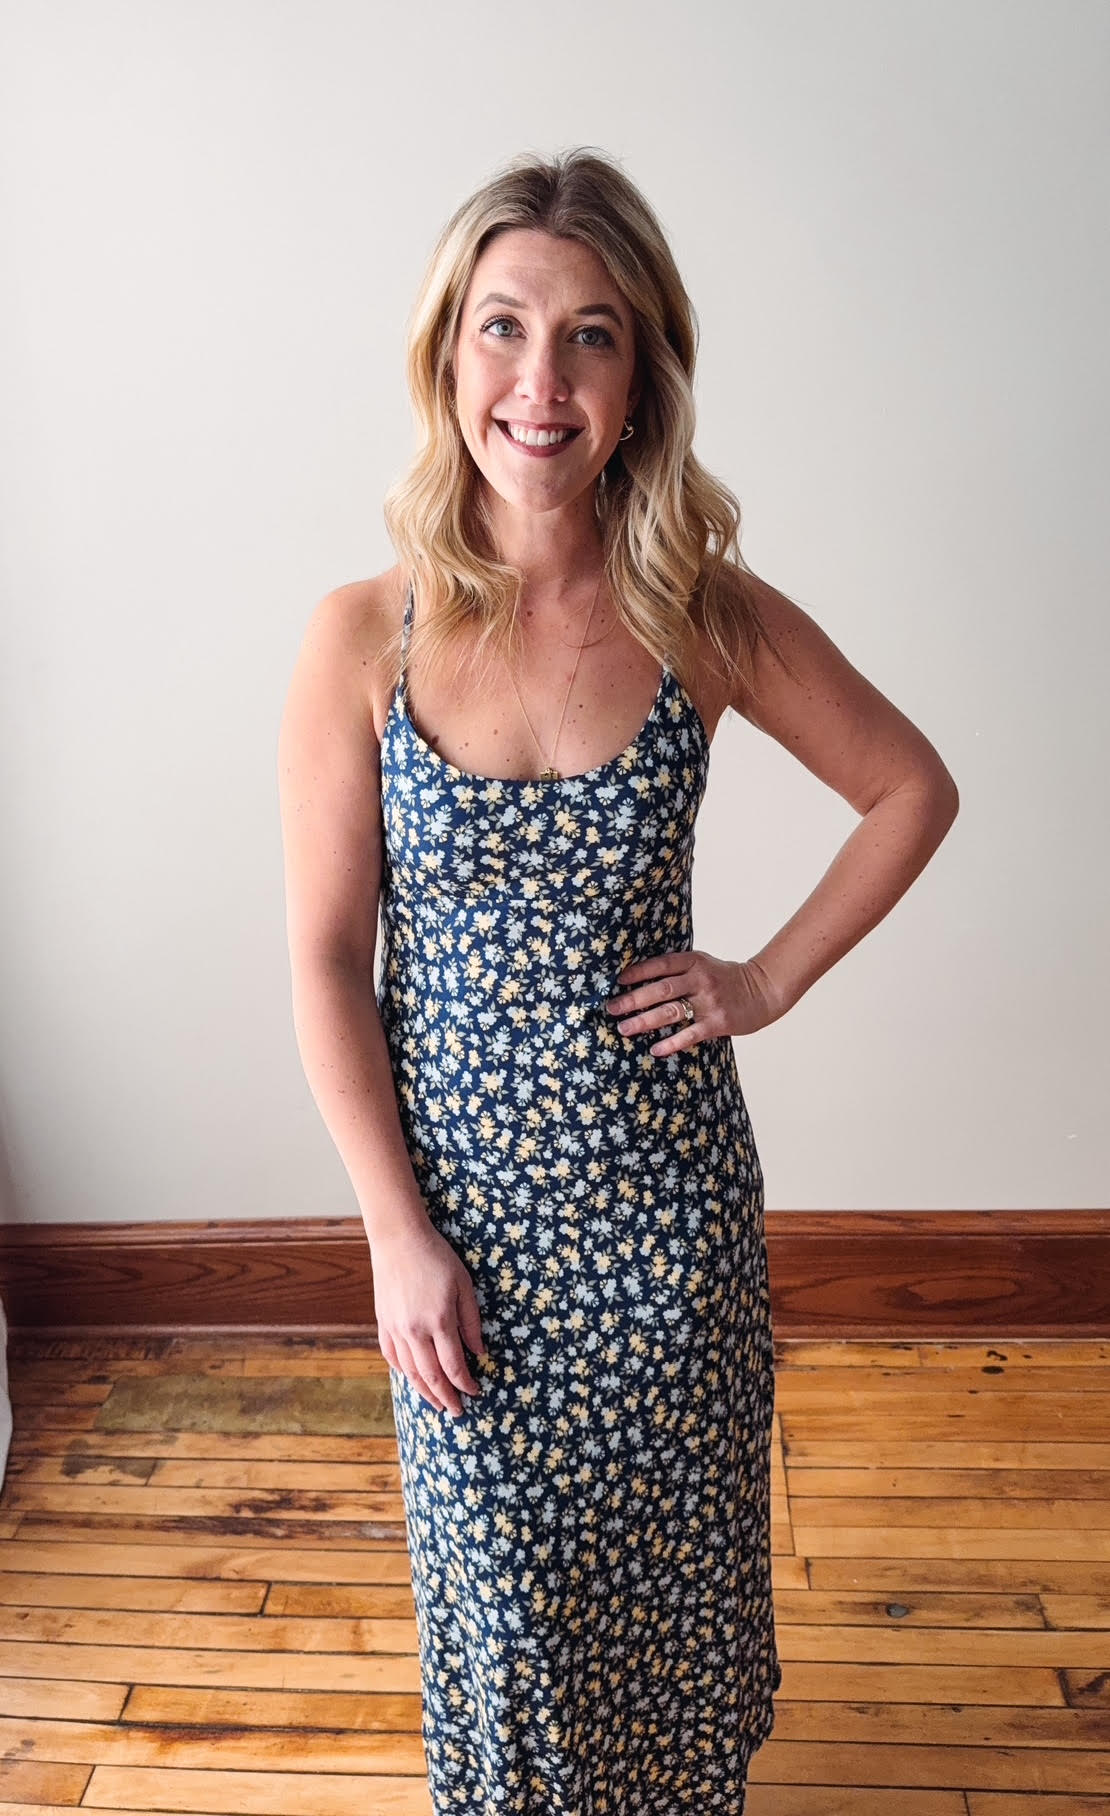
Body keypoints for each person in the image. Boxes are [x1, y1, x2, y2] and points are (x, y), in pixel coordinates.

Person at [278, 147, 959, 1816]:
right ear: (448, 354)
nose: (540, 380)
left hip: (667, 1225)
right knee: (508, 1628)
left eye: (589, 336)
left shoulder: (698, 616)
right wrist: (394, 1236)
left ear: (641, 372)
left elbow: (909, 789)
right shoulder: (361, 635)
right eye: (502, 327)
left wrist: (766, 980)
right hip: (461, 1246)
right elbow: (318, 960)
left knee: (666, 1606)